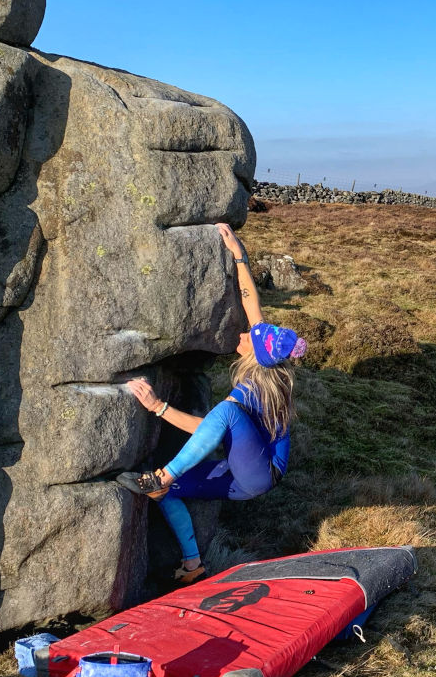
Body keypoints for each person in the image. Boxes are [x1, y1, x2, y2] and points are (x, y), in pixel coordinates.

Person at [117, 223, 306, 583]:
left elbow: (212, 428)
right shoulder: (266, 357)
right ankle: (193, 564)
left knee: (226, 413)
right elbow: (252, 302)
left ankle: (163, 475)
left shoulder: (255, 388)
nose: (242, 333)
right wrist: (238, 254)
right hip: (241, 468)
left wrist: (158, 407)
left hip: (258, 474)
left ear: (256, 355)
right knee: (166, 493)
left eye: (248, 337)